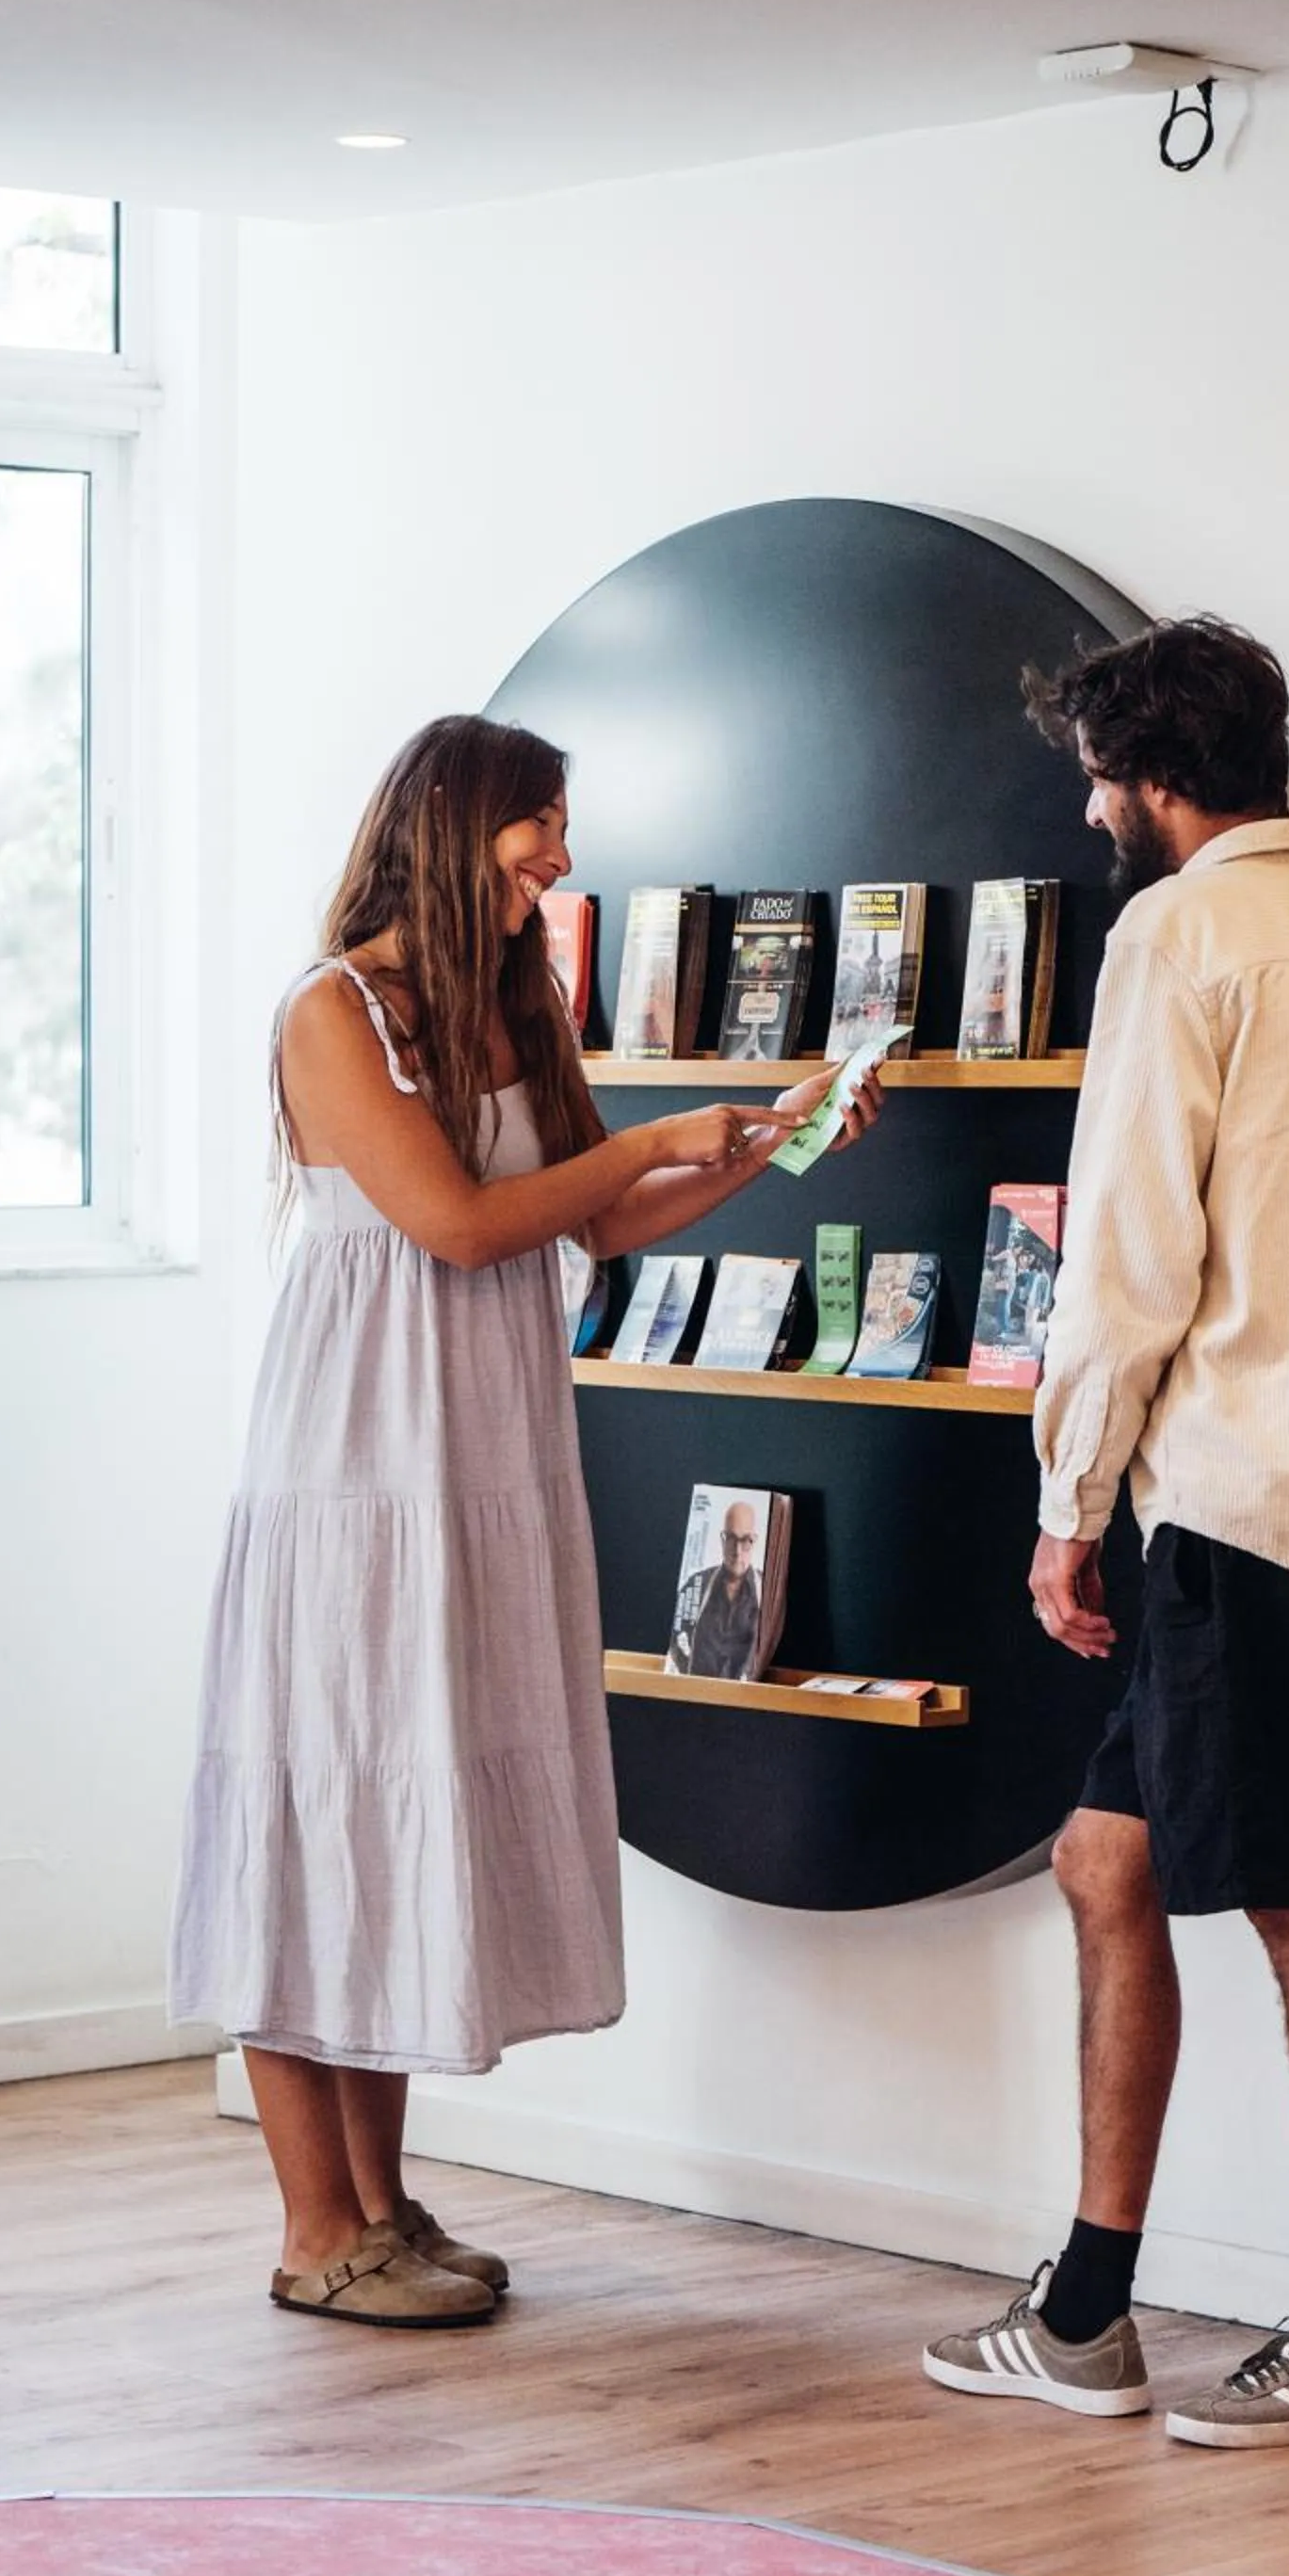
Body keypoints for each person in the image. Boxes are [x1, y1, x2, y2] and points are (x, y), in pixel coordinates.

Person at [170, 714, 880, 2329]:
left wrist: (758, 1151)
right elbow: (464, 1224)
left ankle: (378, 2208)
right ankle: (311, 2229)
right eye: (538, 830)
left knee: (400, 1785)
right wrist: (645, 1136)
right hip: (357, 1462)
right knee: (317, 1802)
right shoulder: (331, 1014)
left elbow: (600, 1219)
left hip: (475, 1453)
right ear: (457, 824)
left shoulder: (506, 1001)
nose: (559, 860)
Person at [924, 619, 1289, 2443]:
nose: (1091, 803)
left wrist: (1064, 1506)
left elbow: (1128, 1252)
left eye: (1097, 772)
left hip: (1238, 1489)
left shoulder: (1182, 934)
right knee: (1105, 1858)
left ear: (1153, 777)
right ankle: (1087, 2306)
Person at [670, 1498, 763, 1680]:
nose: (737, 1551)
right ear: (722, 1539)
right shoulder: (696, 1585)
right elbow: (675, 1640)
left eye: (745, 1540)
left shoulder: (767, 1591)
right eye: (731, 1538)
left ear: (754, 1542)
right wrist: (690, 1674)